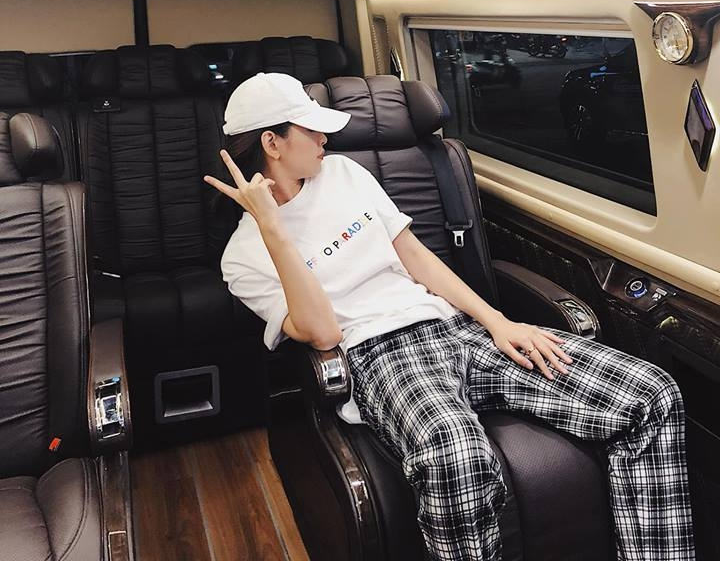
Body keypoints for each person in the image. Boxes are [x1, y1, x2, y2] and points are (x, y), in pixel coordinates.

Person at [206, 72, 695, 561]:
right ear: (272, 143)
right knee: (456, 455)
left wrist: (497, 322)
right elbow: (323, 332)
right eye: (311, 130)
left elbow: (415, 256)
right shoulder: (244, 257)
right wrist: (274, 230)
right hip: (380, 356)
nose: (324, 139)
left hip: (453, 327)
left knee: (651, 395)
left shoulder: (344, 174)